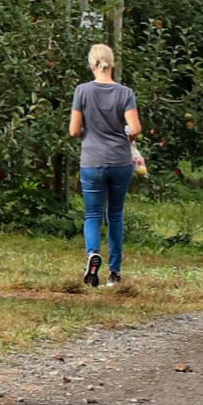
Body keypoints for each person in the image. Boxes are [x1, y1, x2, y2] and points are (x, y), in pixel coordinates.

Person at [69, 42, 141, 289]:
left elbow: (73, 130)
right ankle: (114, 273)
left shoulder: (82, 91)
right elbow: (136, 129)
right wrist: (123, 136)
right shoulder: (125, 93)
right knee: (115, 215)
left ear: (92, 65)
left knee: (92, 215)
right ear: (112, 64)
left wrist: (89, 133)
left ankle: (92, 254)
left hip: (92, 161)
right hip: (120, 161)